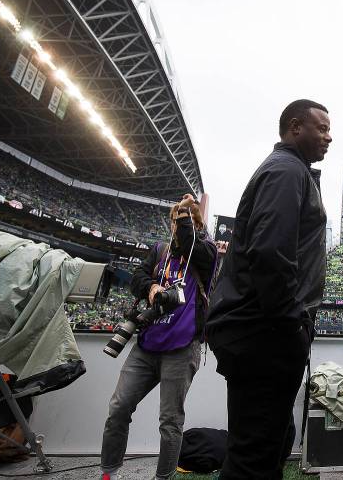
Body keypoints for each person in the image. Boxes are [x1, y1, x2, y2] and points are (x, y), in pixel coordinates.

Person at [206, 99, 331, 480]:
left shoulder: (292, 171)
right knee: (253, 457)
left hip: (262, 331)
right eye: (321, 128)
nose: (329, 136)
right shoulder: (286, 172)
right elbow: (270, 252)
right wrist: (290, 323)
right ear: (295, 127)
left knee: (271, 444)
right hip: (265, 333)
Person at [100, 194, 216, 480]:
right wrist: (151, 287)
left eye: (189, 224)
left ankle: (163, 478)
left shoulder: (206, 254)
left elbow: (190, 244)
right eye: (177, 223)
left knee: (170, 421)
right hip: (147, 346)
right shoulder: (160, 251)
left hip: (181, 347)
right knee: (118, 407)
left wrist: (186, 215)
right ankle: (108, 473)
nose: (181, 229)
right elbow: (137, 277)